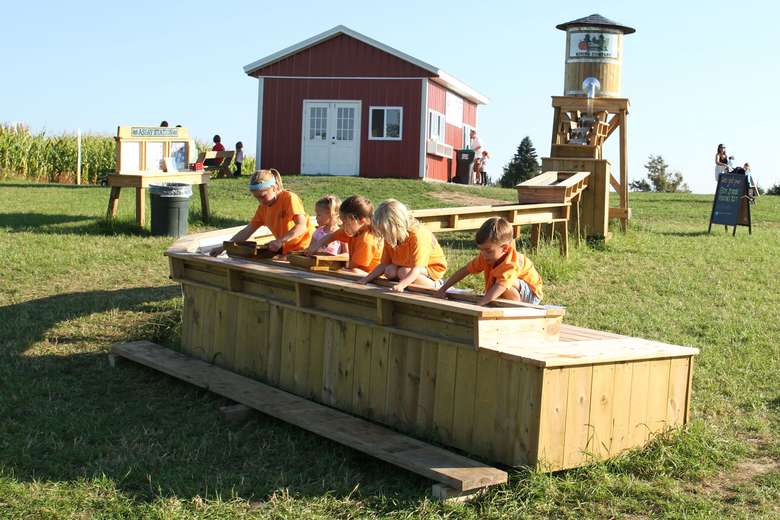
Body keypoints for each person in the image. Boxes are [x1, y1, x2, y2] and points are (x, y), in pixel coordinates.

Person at [434, 217, 544, 306]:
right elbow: (465, 271)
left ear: (505, 248)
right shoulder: (486, 257)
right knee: (497, 286)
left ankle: (515, 311)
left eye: (488, 251)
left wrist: (480, 304)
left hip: (531, 296)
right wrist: (443, 289)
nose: (483, 254)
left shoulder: (511, 263)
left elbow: (501, 286)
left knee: (506, 283)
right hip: (506, 287)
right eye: (481, 250)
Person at [209, 169, 314, 258]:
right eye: (257, 198)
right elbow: (247, 231)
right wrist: (225, 247)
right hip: (286, 248)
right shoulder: (262, 208)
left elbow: (301, 226)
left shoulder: (289, 198)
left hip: (306, 247)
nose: (260, 201)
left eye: (263, 196)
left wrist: (279, 241)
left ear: (274, 188)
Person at [358, 199, 447, 291]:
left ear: (397, 225)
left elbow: (417, 268)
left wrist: (401, 285)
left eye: (385, 231)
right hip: (406, 265)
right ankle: (409, 282)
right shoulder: (391, 236)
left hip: (429, 268)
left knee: (404, 272)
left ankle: (436, 285)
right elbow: (384, 264)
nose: (383, 234)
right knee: (389, 271)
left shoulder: (418, 235)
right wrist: (366, 279)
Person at [306, 195, 383, 275]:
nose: (342, 226)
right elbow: (331, 236)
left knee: (345, 271)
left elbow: (353, 267)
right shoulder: (355, 230)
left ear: (361, 221)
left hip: (371, 276)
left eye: (345, 222)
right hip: (356, 271)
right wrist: (317, 244)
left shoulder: (366, 241)